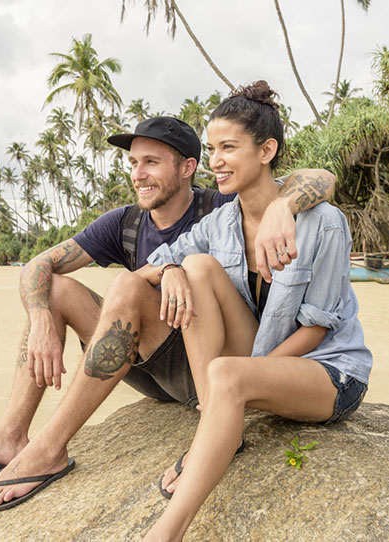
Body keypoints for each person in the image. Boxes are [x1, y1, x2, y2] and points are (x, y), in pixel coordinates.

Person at [0, 116, 335, 511]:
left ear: (187, 168)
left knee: (129, 284)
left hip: (207, 362)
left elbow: (319, 179)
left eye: (151, 162)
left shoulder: (222, 207)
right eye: (133, 163)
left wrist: (282, 206)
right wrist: (39, 318)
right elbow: (38, 265)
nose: (138, 174)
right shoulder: (124, 222)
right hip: (145, 363)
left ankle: (49, 448)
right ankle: (10, 434)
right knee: (54, 289)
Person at [137, 82, 373, 541]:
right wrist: (170, 269)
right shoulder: (220, 221)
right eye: (211, 149)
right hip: (260, 358)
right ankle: (220, 423)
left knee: (228, 376)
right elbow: (152, 264)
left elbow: (318, 332)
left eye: (229, 147)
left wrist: (242, 378)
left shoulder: (323, 222)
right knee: (197, 266)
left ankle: (166, 532)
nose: (216, 161)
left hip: (327, 371)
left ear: (267, 150)